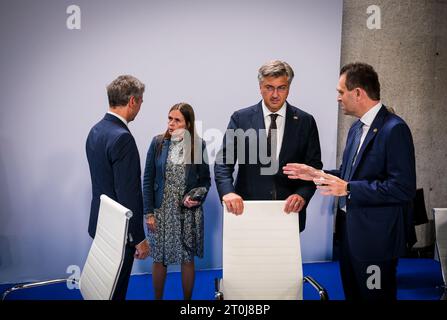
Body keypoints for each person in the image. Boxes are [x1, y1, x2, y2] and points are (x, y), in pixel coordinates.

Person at [283, 62, 416, 300]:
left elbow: (402, 188)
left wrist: (349, 189)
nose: (338, 98)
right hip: (350, 237)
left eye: (340, 92)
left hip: (377, 242)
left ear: (358, 93)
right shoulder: (356, 128)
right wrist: (316, 174)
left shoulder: (394, 129)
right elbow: (347, 174)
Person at [214, 60, 322, 231]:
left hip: (289, 213)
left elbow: (314, 168)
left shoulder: (306, 122)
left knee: (283, 259)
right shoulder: (240, 119)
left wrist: (302, 195)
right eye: (269, 87)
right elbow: (223, 163)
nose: (275, 94)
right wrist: (228, 192)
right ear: (260, 87)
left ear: (289, 88)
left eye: (281, 87)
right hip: (246, 211)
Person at [86, 75, 150, 300]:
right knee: (115, 292)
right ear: (132, 101)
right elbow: (128, 193)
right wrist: (138, 238)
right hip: (119, 233)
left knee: (103, 291)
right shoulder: (123, 138)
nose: (140, 107)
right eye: (141, 102)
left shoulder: (96, 130)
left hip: (101, 224)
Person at [143, 102, 211, 300]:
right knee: (159, 259)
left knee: (186, 259)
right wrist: (148, 213)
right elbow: (148, 179)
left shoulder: (199, 146)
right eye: (169, 119)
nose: (171, 123)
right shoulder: (157, 143)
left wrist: (196, 197)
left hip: (186, 214)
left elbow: (205, 181)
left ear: (188, 124)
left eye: (177, 120)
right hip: (160, 212)